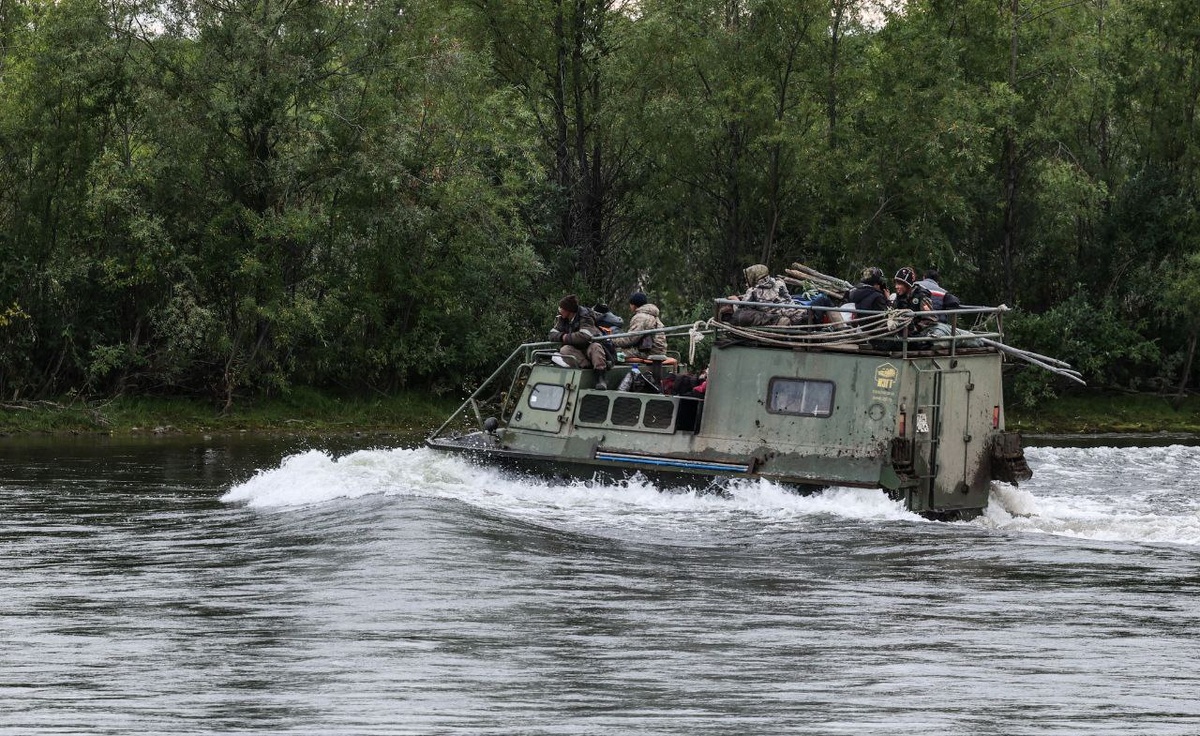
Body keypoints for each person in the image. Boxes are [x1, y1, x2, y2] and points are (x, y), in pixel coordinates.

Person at [548, 294, 609, 389]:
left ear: (568, 310)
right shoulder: (562, 319)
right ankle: (586, 369)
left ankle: (600, 378)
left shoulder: (586, 316)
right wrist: (562, 336)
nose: (560, 310)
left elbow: (584, 336)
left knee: (596, 347)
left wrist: (565, 338)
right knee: (564, 350)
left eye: (562, 308)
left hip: (589, 346)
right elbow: (552, 334)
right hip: (576, 350)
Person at [729, 264, 793, 327]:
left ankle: (777, 321)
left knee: (739, 315)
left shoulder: (753, 290)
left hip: (775, 315)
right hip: (791, 311)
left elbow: (742, 307)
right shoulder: (779, 282)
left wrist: (736, 301)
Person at [892, 266, 947, 338]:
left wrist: (915, 328)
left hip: (917, 333)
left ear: (907, 285)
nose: (896, 287)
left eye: (899, 284)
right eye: (896, 284)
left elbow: (930, 319)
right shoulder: (900, 297)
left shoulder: (921, 296)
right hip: (901, 331)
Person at [613, 292, 667, 360]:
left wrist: (612, 340)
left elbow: (631, 339)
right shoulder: (653, 315)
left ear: (633, 305)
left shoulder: (640, 317)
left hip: (649, 352)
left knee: (613, 353)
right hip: (659, 351)